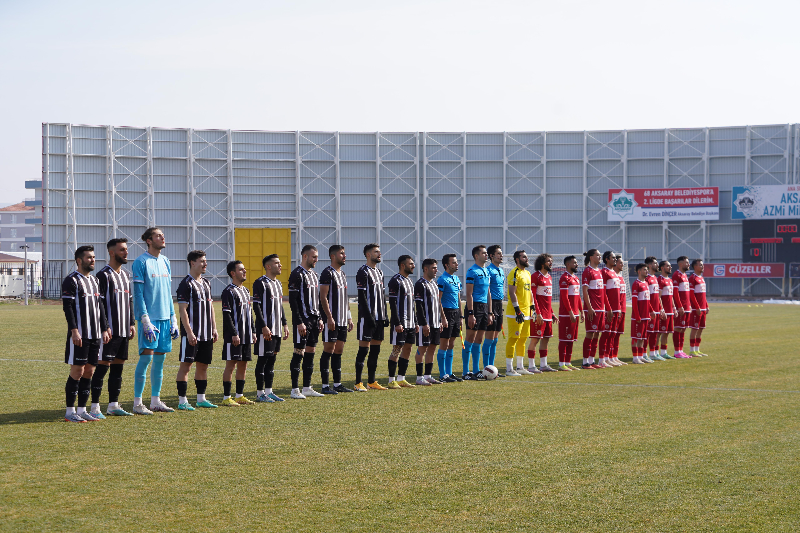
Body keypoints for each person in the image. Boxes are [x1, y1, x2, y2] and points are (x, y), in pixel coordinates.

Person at [131, 227, 179, 414]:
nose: (162, 237)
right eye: (158, 235)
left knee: (160, 360)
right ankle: (137, 403)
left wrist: (173, 318)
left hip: (165, 319)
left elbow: (167, 293)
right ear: (149, 240)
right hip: (150, 321)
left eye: (162, 235)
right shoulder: (140, 262)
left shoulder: (166, 261)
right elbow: (138, 294)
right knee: (145, 359)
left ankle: (155, 401)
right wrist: (144, 320)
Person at [62, 245, 111, 422]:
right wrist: (74, 331)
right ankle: (70, 412)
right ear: (79, 260)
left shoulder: (95, 281)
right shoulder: (72, 280)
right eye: (89, 257)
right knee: (77, 371)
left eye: (93, 257)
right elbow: (68, 308)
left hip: (96, 334)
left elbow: (101, 307)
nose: (92, 260)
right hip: (80, 335)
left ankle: (82, 410)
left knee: (89, 371)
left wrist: (105, 328)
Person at [92, 238, 135, 417]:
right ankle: (94, 406)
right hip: (110, 331)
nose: (126, 253)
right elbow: (99, 304)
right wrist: (105, 327)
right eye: (122, 250)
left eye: (126, 250)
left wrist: (132, 323)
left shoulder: (125, 275)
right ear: (112, 252)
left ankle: (113, 405)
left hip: (124, 330)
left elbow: (130, 300)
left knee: (118, 368)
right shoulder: (103, 275)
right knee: (102, 367)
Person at [176, 250, 219, 410]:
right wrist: (189, 332)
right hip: (192, 334)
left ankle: (201, 399)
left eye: (205, 261)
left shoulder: (206, 282)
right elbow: (182, 310)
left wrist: (214, 327)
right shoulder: (186, 284)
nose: (205, 263)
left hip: (207, 334)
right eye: (202, 261)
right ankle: (182, 401)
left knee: (203, 366)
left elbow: (211, 308)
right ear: (192, 263)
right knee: (186, 366)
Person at [288, 245, 326, 399]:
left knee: (311, 353)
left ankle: (307, 387)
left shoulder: (313, 274)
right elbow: (293, 301)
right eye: (314, 257)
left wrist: (320, 318)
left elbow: (316, 299)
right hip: (302, 321)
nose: (316, 259)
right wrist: (298, 322)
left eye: (317, 257)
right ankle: (294, 389)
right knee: (299, 353)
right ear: (305, 256)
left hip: (314, 320)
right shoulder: (297, 274)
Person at [253, 254, 290, 402]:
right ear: (268, 266)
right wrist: (263, 327)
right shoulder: (260, 283)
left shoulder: (279, 284)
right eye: (277, 263)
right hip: (266, 330)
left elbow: (280, 307)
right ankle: (260, 393)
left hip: (277, 330)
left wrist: (285, 324)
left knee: (272, 360)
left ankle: (269, 391)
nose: (280, 265)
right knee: (262, 360)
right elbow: (256, 306)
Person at [318, 245, 354, 394]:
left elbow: (345, 298)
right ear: (333, 256)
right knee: (328, 350)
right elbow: (322, 297)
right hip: (331, 320)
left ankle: (337, 383)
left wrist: (349, 317)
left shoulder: (343, 274)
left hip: (342, 320)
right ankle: (325, 386)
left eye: (344, 253)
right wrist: (329, 318)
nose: (344, 256)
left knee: (339, 350)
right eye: (341, 253)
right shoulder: (327, 273)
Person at [220, 261, 256, 406]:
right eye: (241, 270)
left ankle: (239, 395)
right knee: (231, 365)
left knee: (243, 365)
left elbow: (249, 313)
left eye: (244, 269)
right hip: (234, 336)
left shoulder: (246, 291)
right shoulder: (228, 291)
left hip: (246, 335)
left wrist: (253, 331)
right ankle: (226, 397)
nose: (244, 271)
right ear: (233, 273)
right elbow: (227, 315)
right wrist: (234, 333)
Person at [355, 244, 390, 391]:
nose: (379, 254)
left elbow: (382, 295)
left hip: (379, 317)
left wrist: (385, 314)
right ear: (368, 254)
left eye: (379, 251)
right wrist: (369, 316)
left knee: (375, 350)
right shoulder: (363, 272)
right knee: (364, 350)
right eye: (376, 252)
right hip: (367, 318)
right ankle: (358, 383)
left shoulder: (380, 272)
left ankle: (371, 381)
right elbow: (362, 296)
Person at [388, 255, 424, 387]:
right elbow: (392, 303)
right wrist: (397, 323)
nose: (413, 266)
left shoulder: (409, 281)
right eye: (411, 264)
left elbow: (412, 304)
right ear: (403, 265)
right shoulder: (395, 281)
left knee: (408, 349)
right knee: (396, 350)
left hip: (410, 323)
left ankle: (401, 378)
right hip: (400, 323)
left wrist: (415, 322)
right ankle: (391, 380)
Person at [463, 245, 494, 380]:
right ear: (476, 256)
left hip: (484, 308)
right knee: (470, 338)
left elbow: (488, 293)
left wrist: (490, 312)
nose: (486, 255)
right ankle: (466, 371)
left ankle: (476, 370)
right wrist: (470, 313)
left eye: (487, 253)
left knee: (479, 340)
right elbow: (469, 294)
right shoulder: (471, 271)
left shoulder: (486, 271)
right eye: (484, 253)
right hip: (474, 307)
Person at [415, 258, 448, 384]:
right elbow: (419, 306)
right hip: (426, 324)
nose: (436, 270)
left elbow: (438, 303)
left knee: (432, 348)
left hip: (435, 323)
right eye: (433, 268)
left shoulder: (434, 284)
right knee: (422, 348)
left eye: (436, 267)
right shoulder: (420, 284)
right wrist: (423, 324)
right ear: (425, 269)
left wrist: (440, 320)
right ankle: (419, 378)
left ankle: (428, 375)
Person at [505, 250, 535, 375]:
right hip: (516, 313)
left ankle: (520, 367)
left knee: (523, 339)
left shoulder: (527, 273)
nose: (526, 259)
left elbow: (530, 292)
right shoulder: (514, 273)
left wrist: (532, 307)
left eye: (526, 256)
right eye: (524, 257)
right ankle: (509, 369)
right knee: (513, 338)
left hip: (527, 312)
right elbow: (512, 293)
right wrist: (517, 310)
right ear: (517, 259)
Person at [581, 249, 611, 369]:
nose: (600, 257)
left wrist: (606, 308)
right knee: (590, 334)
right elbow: (585, 291)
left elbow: (602, 292)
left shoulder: (599, 272)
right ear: (591, 257)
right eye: (597, 255)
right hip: (592, 309)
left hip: (601, 309)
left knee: (597, 335)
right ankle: (585, 362)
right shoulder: (587, 271)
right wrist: (589, 307)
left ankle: (592, 360)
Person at [528, 253, 558, 372]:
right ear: (542, 263)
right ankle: (531, 366)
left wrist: (552, 313)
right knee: (535, 339)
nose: (551, 263)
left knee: (546, 339)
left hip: (547, 315)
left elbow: (548, 299)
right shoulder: (535, 276)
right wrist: (538, 313)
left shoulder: (549, 277)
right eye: (548, 261)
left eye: (551, 261)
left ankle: (543, 365)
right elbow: (533, 297)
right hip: (538, 315)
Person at [437, 254, 462, 382]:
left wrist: (461, 316)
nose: (456, 264)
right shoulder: (442, 280)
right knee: (444, 343)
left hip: (456, 313)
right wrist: (443, 317)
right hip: (446, 313)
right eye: (453, 262)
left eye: (456, 262)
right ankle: (442, 375)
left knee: (451, 344)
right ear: (446, 265)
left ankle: (449, 373)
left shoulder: (457, 279)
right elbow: (438, 300)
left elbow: (458, 298)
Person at [557, 256, 583, 370]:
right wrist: (570, 312)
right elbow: (564, 297)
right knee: (564, 339)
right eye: (574, 263)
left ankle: (568, 363)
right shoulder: (564, 278)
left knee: (571, 339)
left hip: (575, 313)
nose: (576, 264)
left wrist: (581, 311)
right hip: (566, 314)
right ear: (568, 264)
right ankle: (561, 363)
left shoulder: (576, 278)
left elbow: (578, 297)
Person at [599, 251, 623, 367]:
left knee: (613, 334)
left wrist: (617, 309)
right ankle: (602, 360)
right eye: (613, 258)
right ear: (607, 259)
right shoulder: (604, 272)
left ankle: (609, 358)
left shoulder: (614, 273)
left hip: (616, 309)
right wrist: (608, 308)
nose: (615, 260)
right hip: (609, 309)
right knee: (606, 334)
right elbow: (603, 292)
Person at [484, 245, 505, 370]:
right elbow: (487, 291)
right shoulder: (488, 271)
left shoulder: (501, 270)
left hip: (499, 304)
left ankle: (492, 368)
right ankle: (486, 367)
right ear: (491, 256)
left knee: (495, 339)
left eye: (501, 253)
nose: (501, 255)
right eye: (498, 253)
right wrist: (490, 310)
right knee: (489, 338)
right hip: (490, 305)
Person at [644, 256, 667, 362]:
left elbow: (658, 297)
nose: (657, 265)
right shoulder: (647, 279)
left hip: (657, 310)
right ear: (649, 265)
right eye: (655, 263)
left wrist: (661, 309)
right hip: (650, 311)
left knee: (656, 333)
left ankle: (654, 353)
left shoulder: (655, 278)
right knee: (647, 333)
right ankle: (643, 354)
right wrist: (651, 310)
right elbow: (646, 297)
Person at [630, 263, 652, 364]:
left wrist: (651, 311)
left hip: (645, 315)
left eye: (647, 269)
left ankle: (640, 356)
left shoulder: (646, 283)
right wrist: (637, 315)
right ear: (639, 272)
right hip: (638, 316)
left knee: (643, 337)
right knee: (636, 337)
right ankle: (635, 358)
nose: (646, 271)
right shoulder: (636, 284)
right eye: (644, 269)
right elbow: (634, 302)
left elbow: (648, 300)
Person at [671, 256, 692, 358]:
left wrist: (689, 305)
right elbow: (675, 292)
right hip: (681, 307)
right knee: (678, 328)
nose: (688, 264)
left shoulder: (685, 275)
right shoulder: (676, 275)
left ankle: (681, 350)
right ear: (680, 264)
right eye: (686, 263)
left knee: (683, 329)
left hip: (687, 307)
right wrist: (679, 306)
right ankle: (676, 351)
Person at [688, 259, 709, 356]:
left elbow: (703, 295)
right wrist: (697, 307)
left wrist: (707, 305)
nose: (702, 266)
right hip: (697, 309)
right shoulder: (692, 278)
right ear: (695, 267)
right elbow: (691, 295)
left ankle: (697, 349)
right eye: (700, 265)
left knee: (700, 329)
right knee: (694, 329)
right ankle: (692, 351)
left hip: (703, 308)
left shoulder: (701, 278)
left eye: (702, 265)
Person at [656, 261, 676, 360]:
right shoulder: (660, 280)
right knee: (659, 332)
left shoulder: (670, 280)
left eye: (670, 265)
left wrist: (674, 308)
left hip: (670, 311)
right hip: (663, 311)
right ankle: (655, 352)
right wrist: (661, 309)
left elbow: (671, 296)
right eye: (668, 266)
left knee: (667, 332)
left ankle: (664, 352)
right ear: (662, 268)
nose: (670, 267)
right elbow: (658, 297)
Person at [610, 253, 628, 365]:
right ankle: (609, 357)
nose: (622, 265)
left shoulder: (621, 277)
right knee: (612, 333)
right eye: (620, 262)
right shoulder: (612, 276)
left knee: (617, 334)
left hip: (623, 309)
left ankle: (615, 356)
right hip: (616, 310)